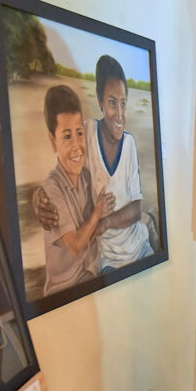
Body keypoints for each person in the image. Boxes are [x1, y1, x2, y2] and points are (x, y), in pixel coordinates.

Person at [35, 55, 153, 274]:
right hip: (108, 259)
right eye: (112, 102)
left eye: (123, 103)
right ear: (100, 101)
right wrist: (38, 199)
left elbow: (136, 209)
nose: (120, 114)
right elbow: (62, 165)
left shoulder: (129, 144)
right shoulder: (86, 133)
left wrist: (104, 222)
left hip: (139, 245)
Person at [40, 85, 113, 295]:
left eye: (79, 133)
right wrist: (98, 212)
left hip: (90, 278)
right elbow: (76, 245)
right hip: (64, 293)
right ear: (53, 141)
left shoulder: (86, 177)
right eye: (66, 136)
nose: (76, 146)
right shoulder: (51, 190)